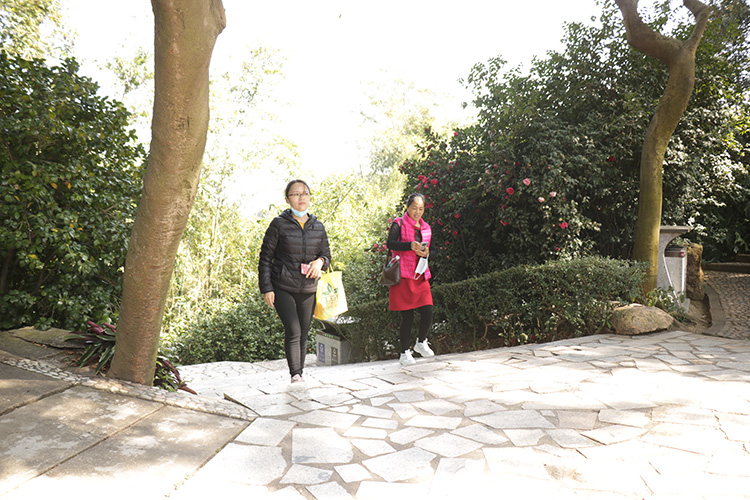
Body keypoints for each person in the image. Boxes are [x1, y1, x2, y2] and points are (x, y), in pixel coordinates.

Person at [259, 179, 331, 383]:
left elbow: (327, 256)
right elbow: (265, 258)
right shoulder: (278, 224)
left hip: (308, 287)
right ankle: (295, 374)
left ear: (310, 197)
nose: (301, 198)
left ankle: (299, 372)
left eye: (305, 193)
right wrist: (266, 288)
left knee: (304, 332)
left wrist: (320, 262)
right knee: (293, 330)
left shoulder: (318, 226)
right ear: (287, 199)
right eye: (296, 194)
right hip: (283, 286)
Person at [386, 192, 436, 365]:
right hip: (403, 275)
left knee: (428, 310)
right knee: (407, 316)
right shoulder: (398, 223)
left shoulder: (426, 228)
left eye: (421, 209)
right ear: (407, 207)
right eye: (414, 208)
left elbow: (434, 250)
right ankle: (404, 353)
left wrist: (427, 253)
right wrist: (409, 246)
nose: (417, 212)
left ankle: (421, 342)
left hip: (420, 275)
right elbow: (390, 243)